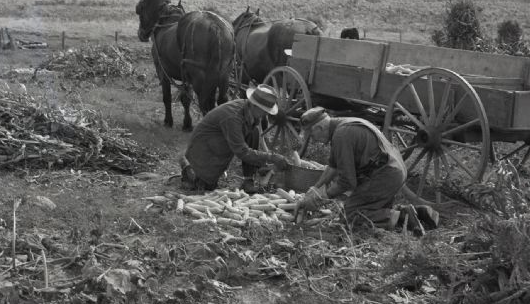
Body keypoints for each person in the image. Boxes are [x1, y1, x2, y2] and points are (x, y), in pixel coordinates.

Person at [294, 107, 438, 234]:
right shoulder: (342, 125)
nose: (312, 140)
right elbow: (333, 167)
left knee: (350, 215)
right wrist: (314, 190)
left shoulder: (341, 135)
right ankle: (420, 212)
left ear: (319, 128)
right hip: (394, 169)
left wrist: (321, 198)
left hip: (385, 175)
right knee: (370, 208)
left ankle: (402, 217)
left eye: (311, 136)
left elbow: (347, 182)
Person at [180, 84, 291, 194]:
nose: (266, 114)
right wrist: (271, 157)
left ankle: (248, 180)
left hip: (215, 148)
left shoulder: (247, 111)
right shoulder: (233, 117)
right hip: (203, 153)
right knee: (205, 185)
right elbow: (242, 151)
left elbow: (248, 142)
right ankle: (190, 171)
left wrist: (261, 164)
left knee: (254, 131)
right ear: (255, 105)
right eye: (265, 111)